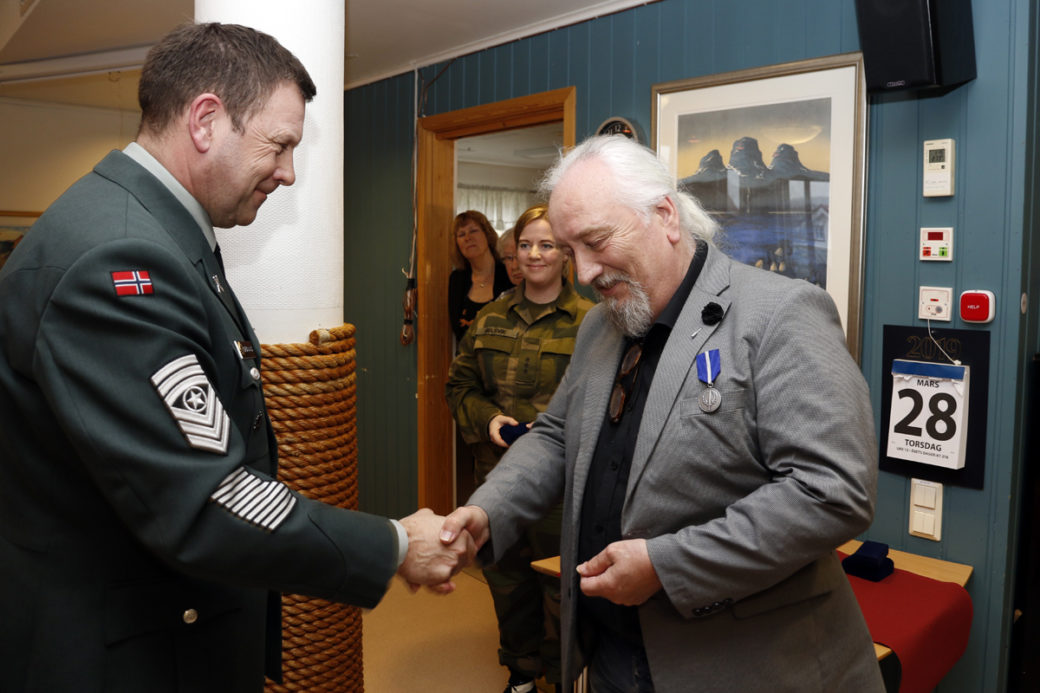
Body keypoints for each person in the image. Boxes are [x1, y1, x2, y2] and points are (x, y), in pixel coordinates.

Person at [0, 22, 472, 693]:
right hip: (122, 653)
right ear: (205, 121)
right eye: (279, 145)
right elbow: (208, 496)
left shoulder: (152, 232)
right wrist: (395, 544)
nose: (288, 172)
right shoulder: (120, 261)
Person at [441, 135, 884, 692]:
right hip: (609, 653)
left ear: (666, 215)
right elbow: (556, 436)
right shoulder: (600, 325)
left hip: (743, 665)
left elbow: (833, 491)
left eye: (595, 242)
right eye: (571, 251)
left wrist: (667, 566)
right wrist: (487, 511)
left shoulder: (780, 313)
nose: (584, 273)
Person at [446, 205, 594, 693]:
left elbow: (608, 401)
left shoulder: (592, 323)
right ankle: (522, 673)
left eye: (546, 245)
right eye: (525, 245)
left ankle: (565, 675)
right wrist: (489, 420)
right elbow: (459, 386)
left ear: (566, 253)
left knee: (563, 586)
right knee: (507, 581)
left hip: (562, 487)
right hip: (496, 476)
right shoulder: (489, 318)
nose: (534, 255)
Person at [448, 210, 513, 341]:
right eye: (461, 234)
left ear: (487, 235)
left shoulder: (509, 272)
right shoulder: (457, 279)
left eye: (473, 231)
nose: (467, 238)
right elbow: (458, 333)